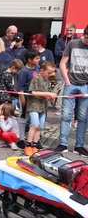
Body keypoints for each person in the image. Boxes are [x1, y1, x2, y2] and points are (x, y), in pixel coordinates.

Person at [55, 24, 88, 155]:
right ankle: (62, 144)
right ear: (84, 34)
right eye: (86, 38)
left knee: (83, 117)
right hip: (71, 84)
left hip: (85, 85)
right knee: (66, 116)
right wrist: (67, 82)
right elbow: (62, 63)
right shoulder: (73, 44)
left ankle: (79, 146)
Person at [24, 61, 57, 155]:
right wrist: (48, 94)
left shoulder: (47, 80)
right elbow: (33, 92)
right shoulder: (36, 78)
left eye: (52, 73)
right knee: (34, 125)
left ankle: (34, 145)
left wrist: (50, 97)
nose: (50, 75)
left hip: (43, 107)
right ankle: (28, 145)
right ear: (42, 70)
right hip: (34, 106)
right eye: (49, 72)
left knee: (40, 127)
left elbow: (46, 93)